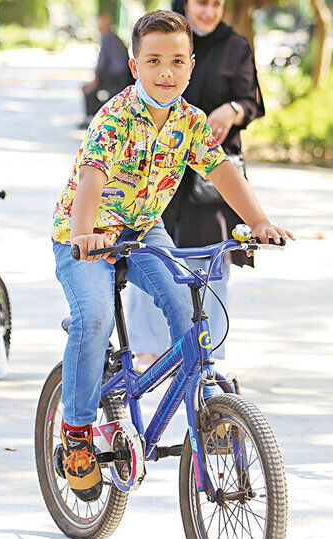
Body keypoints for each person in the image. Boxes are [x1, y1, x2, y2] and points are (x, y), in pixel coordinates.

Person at [51, 11, 294, 501]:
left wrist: (260, 222)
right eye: (154, 60)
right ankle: (76, 431)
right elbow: (91, 179)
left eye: (177, 61)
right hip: (86, 233)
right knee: (94, 318)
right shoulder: (115, 117)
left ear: (190, 66)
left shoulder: (190, 121)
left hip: (143, 231)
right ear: (136, 66)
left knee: (187, 305)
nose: (166, 71)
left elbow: (223, 172)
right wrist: (82, 236)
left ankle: (205, 409)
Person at [125, 0, 266, 370]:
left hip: (209, 174)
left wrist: (232, 110)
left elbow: (253, 101)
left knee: (211, 264)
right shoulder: (161, 36)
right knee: (148, 254)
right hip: (158, 172)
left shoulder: (236, 46)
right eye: (202, 2)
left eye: (217, 3)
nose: (209, 11)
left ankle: (208, 354)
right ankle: (149, 350)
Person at [80, 13, 133, 126]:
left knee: (88, 90)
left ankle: (90, 118)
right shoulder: (112, 37)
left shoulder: (107, 38)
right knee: (92, 90)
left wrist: (96, 79)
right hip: (121, 76)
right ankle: (93, 117)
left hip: (116, 77)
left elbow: (102, 63)